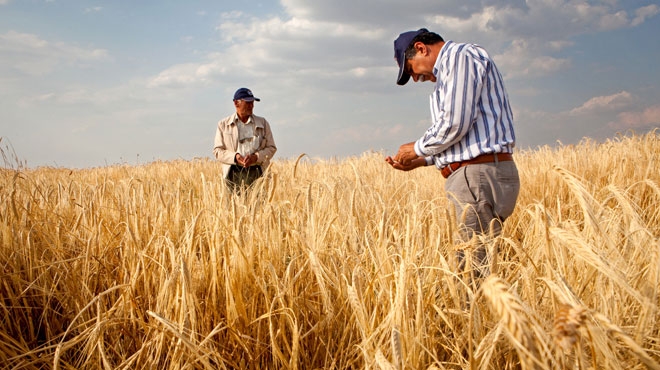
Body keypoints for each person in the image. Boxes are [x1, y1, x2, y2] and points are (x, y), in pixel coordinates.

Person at [385, 28, 520, 279]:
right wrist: (422, 161)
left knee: (471, 273)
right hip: (483, 171)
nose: (415, 78)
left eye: (411, 69)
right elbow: (468, 136)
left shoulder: (459, 58)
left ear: (422, 48)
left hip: (476, 176)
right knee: (479, 263)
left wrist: (415, 148)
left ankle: (476, 318)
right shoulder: (453, 70)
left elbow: (455, 123)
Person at [213, 87, 277, 192]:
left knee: (258, 206)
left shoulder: (263, 123)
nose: (251, 106)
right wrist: (235, 157)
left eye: (252, 103)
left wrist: (255, 157)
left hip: (257, 172)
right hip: (233, 174)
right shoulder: (223, 125)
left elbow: (271, 148)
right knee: (234, 207)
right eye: (247, 103)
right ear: (236, 103)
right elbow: (217, 151)